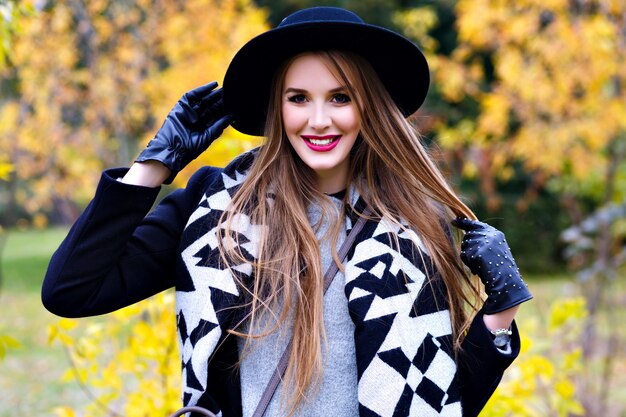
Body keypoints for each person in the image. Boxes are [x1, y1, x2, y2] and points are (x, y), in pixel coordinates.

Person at [42, 7, 532, 417]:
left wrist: (501, 312)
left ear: (369, 108)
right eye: (298, 99)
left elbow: (439, 401)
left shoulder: (411, 228)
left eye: (340, 98)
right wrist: (152, 166)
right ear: (277, 109)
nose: (319, 120)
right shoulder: (214, 208)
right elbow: (72, 290)